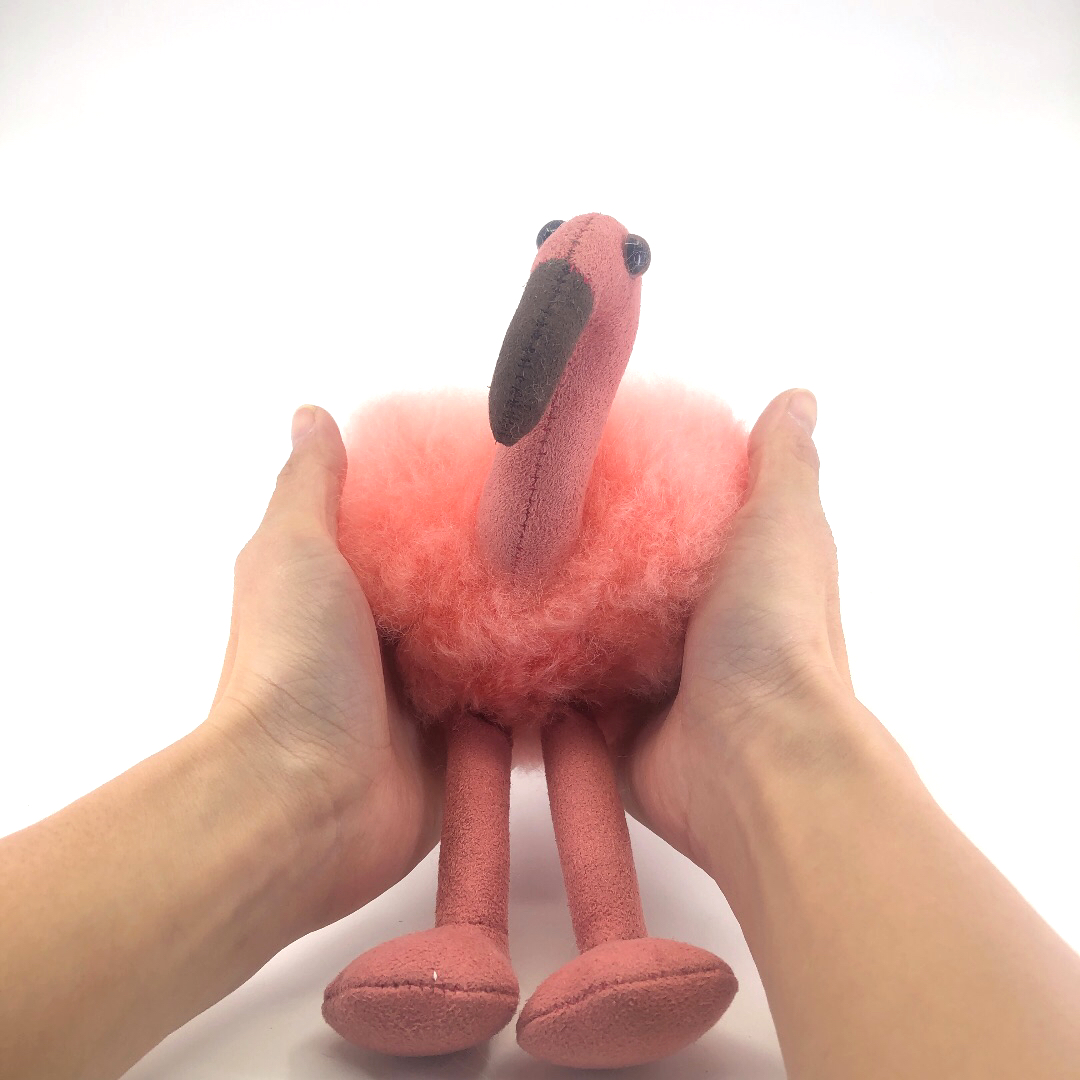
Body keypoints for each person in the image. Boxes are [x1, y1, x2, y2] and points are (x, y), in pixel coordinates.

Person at [1, 390, 1078, 1080]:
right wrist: (781, 740)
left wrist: (771, 718)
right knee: (501, 765)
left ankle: (616, 947)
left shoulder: (634, 537)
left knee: (573, 762)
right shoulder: (435, 545)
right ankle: (468, 940)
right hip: (469, 696)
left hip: (578, 700)